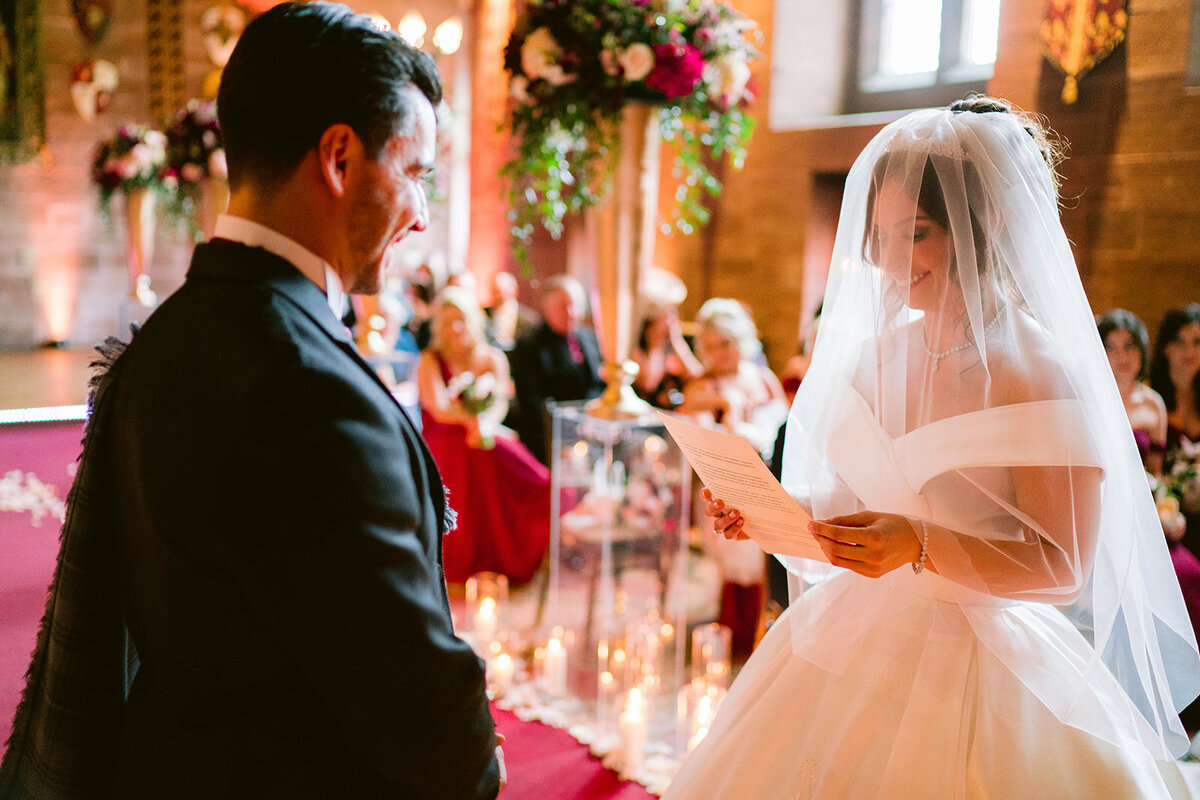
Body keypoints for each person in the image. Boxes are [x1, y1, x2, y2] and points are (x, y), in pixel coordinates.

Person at [0, 5, 503, 798]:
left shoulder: (168, 335)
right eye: (414, 172)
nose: (419, 215)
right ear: (339, 158)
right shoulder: (307, 390)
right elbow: (430, 733)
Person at [665, 97, 1200, 798]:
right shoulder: (877, 357)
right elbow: (856, 507)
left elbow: (1062, 566)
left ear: (988, 225)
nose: (888, 261)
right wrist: (770, 511)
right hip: (850, 634)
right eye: (879, 236)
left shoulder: (1040, 371)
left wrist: (921, 543)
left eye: (913, 234)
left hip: (982, 658)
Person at [416, 285, 551, 584]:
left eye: (461, 318)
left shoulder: (492, 357)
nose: (456, 327)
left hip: (484, 431)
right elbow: (438, 408)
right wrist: (470, 422)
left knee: (526, 472)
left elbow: (500, 401)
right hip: (445, 434)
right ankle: (457, 559)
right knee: (459, 452)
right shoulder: (430, 359)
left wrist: (484, 423)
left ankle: (507, 553)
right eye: (448, 320)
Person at [677, 298, 787, 658]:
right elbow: (704, 439)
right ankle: (732, 632)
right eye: (710, 347)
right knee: (734, 562)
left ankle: (759, 633)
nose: (719, 354)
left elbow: (780, 426)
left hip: (766, 477)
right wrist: (729, 413)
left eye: (725, 343)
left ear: (741, 340)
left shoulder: (763, 378)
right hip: (725, 485)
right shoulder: (702, 388)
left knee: (760, 562)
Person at [509, 274, 605, 463]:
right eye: (564, 305)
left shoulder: (589, 338)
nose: (571, 312)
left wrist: (593, 416)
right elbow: (530, 401)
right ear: (547, 307)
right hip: (548, 437)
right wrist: (571, 425)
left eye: (576, 305)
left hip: (590, 431)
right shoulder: (529, 344)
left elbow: (598, 383)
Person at [630, 268, 702, 409]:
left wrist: (677, 341)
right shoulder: (637, 345)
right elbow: (648, 384)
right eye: (669, 313)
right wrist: (655, 344)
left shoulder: (674, 343)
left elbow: (696, 377)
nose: (674, 318)